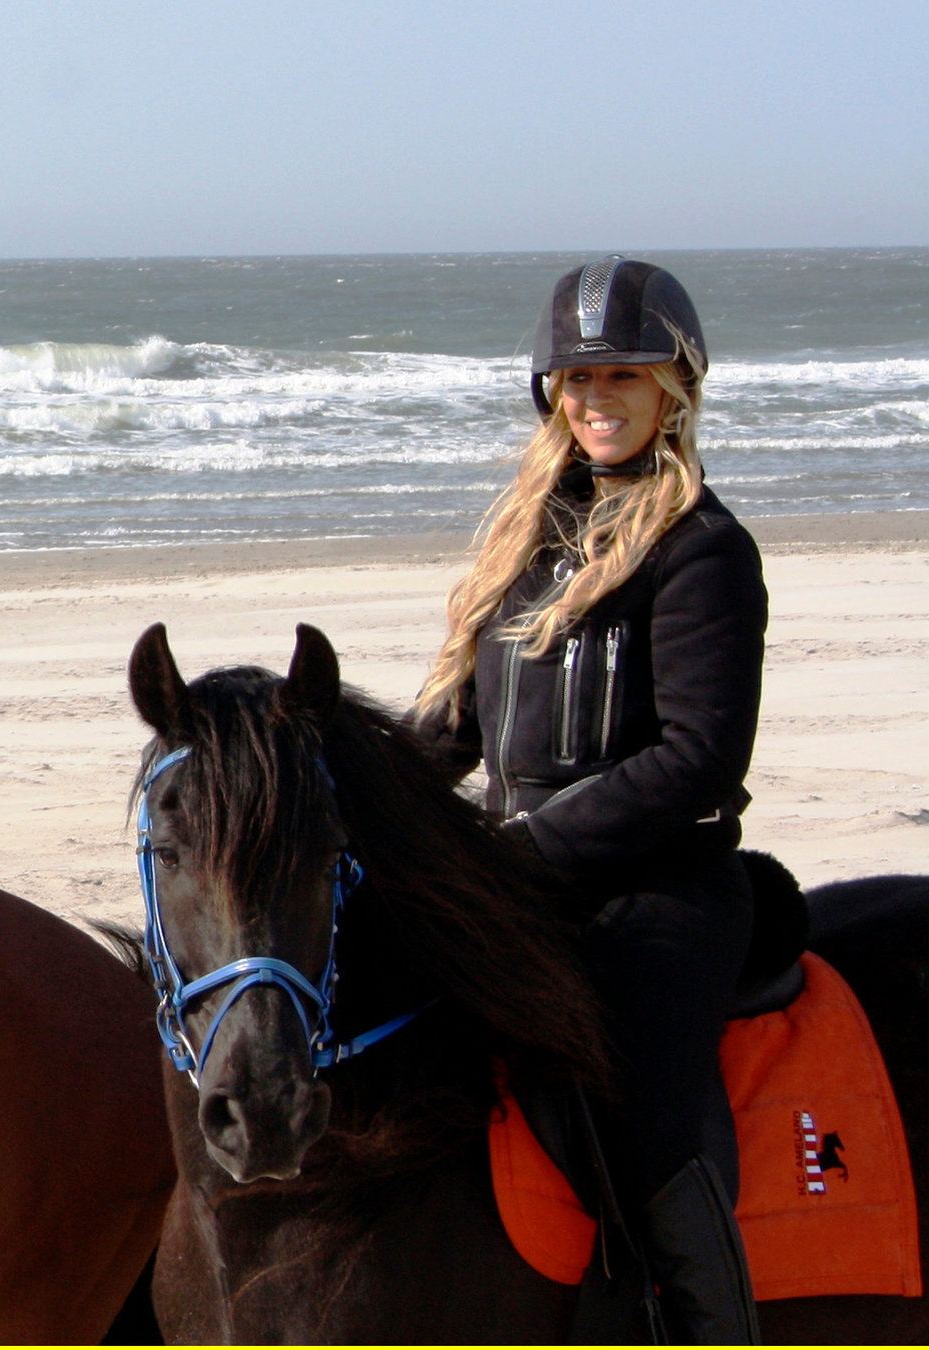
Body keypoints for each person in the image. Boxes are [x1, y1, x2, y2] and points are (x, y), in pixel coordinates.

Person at [414, 257, 767, 1341]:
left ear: (675, 387)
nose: (596, 398)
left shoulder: (704, 551)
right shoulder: (525, 546)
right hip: (516, 882)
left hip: (657, 892)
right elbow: (456, 729)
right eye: (576, 378)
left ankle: (708, 1324)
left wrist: (525, 852)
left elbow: (698, 758)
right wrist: (357, 793)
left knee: (640, 1115)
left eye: (622, 374)